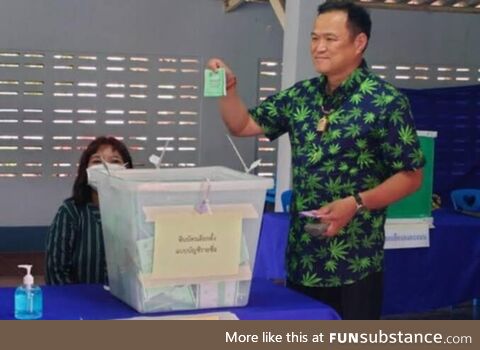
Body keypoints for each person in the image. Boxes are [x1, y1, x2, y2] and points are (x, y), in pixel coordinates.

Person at [207, 0, 425, 319]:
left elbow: (411, 176)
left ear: (359, 42)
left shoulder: (386, 102)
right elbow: (241, 124)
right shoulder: (302, 96)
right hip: (302, 259)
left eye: (330, 39)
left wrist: (356, 203)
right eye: (314, 38)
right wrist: (227, 88)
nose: (318, 48)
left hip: (355, 264)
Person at [45, 136, 133, 285]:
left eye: (115, 161)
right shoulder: (71, 212)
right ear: (85, 170)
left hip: (127, 304)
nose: (106, 167)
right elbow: (56, 270)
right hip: (80, 304)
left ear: (127, 169)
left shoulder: (135, 212)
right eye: (97, 161)